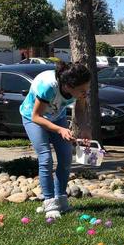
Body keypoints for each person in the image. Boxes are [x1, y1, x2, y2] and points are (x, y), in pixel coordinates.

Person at [20, 62, 91, 219]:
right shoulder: (48, 86)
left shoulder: (80, 90)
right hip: (33, 118)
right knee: (45, 158)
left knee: (66, 158)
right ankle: (50, 202)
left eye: (86, 88)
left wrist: (85, 128)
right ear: (68, 86)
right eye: (82, 90)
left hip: (57, 117)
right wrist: (60, 130)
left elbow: (80, 108)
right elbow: (36, 116)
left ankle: (60, 199)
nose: (85, 93)